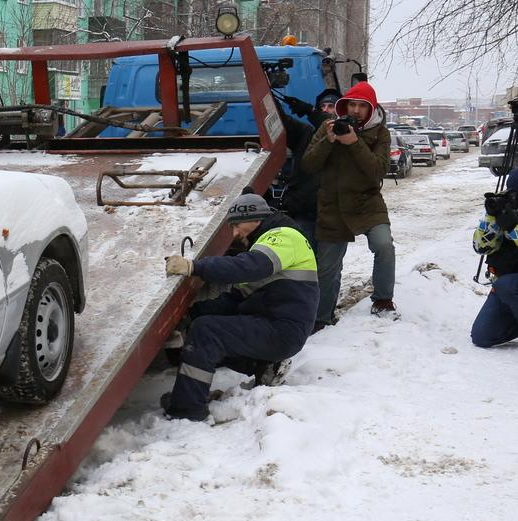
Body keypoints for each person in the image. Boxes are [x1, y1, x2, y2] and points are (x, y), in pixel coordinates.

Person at [159, 192, 318, 421]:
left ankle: (187, 410)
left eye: (236, 225)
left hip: (281, 330)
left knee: (206, 332)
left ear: (255, 218)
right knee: (199, 329)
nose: (234, 233)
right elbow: (235, 300)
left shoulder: (284, 236)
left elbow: (249, 266)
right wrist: (187, 318)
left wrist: (194, 267)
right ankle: (263, 367)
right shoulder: (264, 245)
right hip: (274, 326)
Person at [300, 82, 395, 330]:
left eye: (362, 106)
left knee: (384, 245)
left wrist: (354, 142)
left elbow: (378, 170)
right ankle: (321, 319)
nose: (355, 110)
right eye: (351, 104)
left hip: (368, 202)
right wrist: (328, 141)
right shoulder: (327, 127)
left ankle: (383, 300)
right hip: (332, 205)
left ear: (371, 108)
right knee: (327, 268)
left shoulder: (380, 133)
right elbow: (308, 165)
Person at [276, 88, 342, 246]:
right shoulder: (305, 133)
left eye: (331, 106)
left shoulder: (347, 138)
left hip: (333, 217)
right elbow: (280, 121)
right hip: (304, 213)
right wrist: (270, 97)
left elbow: (330, 124)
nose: (325, 109)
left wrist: (311, 111)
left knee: (328, 268)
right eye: (322, 106)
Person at [472, 170, 518, 347]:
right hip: (508, 288)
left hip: (509, 286)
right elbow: (480, 247)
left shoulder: (512, 221)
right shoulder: (507, 212)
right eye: (512, 193)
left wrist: (513, 227)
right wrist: (492, 216)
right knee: (482, 336)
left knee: (506, 285)